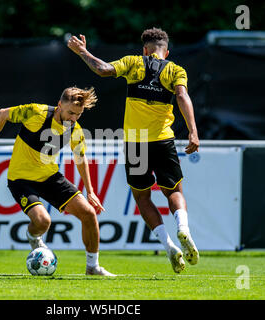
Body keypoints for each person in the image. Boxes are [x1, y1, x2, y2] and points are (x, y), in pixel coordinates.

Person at [67, 28, 199, 273]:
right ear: (166, 51)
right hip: (163, 141)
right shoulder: (175, 70)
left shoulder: (133, 63)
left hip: (135, 144)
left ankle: (169, 245)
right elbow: (182, 96)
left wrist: (82, 51)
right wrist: (193, 131)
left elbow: (103, 70)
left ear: (145, 50)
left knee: (142, 197)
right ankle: (183, 228)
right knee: (173, 190)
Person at [0, 86, 116, 276]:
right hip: (21, 179)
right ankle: (32, 235)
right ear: (59, 105)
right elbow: (3, 114)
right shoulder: (36, 112)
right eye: (70, 113)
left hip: (49, 177)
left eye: (78, 114)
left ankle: (92, 267)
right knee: (43, 222)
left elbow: (81, 158)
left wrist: (91, 192)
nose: (73, 118)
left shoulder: (75, 130)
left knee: (89, 213)